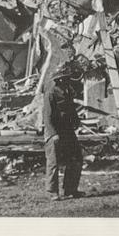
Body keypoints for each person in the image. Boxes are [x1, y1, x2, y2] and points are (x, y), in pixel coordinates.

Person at [42, 62, 84, 201]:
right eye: (66, 77)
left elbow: (71, 109)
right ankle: (52, 191)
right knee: (53, 162)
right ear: (59, 79)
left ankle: (70, 189)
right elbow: (47, 116)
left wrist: (76, 121)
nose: (68, 79)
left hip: (67, 130)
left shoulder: (67, 90)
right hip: (54, 131)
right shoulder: (50, 93)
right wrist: (53, 134)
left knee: (76, 158)